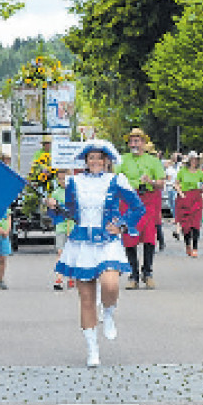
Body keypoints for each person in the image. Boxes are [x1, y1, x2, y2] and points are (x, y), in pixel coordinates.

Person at [46, 139, 143, 366]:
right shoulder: (74, 182)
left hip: (108, 241)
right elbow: (70, 212)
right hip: (81, 244)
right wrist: (54, 207)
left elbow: (138, 207)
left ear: (106, 161)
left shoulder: (116, 180)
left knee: (110, 284)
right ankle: (92, 349)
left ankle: (108, 312)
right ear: (86, 161)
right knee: (86, 298)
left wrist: (122, 226)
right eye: (92, 158)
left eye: (100, 157)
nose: (96, 161)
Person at [118, 128, 165, 289]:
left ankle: (148, 272)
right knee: (129, 238)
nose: (133, 144)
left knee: (149, 237)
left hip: (148, 201)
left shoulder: (154, 161)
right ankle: (133, 275)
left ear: (144, 143)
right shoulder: (122, 160)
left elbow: (161, 183)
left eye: (137, 141)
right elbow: (115, 179)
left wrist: (150, 181)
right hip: (129, 201)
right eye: (131, 141)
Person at [174, 151, 203, 256]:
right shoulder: (182, 171)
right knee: (186, 225)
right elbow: (176, 184)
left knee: (196, 224)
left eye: (196, 160)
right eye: (192, 160)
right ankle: (187, 244)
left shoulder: (201, 173)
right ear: (189, 161)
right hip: (184, 198)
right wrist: (181, 193)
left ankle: (195, 248)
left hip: (196, 199)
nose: (194, 162)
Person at [50, 168, 76, 290]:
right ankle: (59, 278)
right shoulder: (56, 193)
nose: (62, 181)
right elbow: (52, 211)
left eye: (64, 178)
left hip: (73, 225)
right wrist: (51, 205)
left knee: (72, 252)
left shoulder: (75, 191)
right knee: (60, 252)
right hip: (61, 225)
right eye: (59, 179)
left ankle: (71, 277)